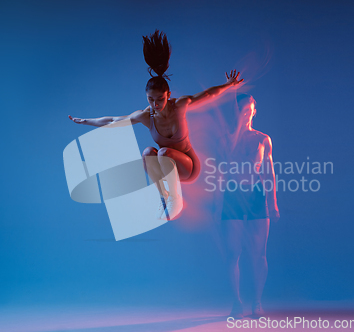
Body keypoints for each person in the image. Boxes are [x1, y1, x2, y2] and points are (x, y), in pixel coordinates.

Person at [68, 30, 243, 220]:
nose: (155, 104)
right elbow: (113, 121)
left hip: (188, 167)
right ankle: (164, 196)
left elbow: (208, 95)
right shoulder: (146, 116)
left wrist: (228, 85)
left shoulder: (180, 106)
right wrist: (85, 121)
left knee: (163, 152)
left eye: (159, 99)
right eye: (150, 99)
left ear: (168, 95)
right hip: (165, 166)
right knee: (147, 153)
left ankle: (177, 200)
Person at [219, 94, 280, 319]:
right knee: (233, 251)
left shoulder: (263, 139)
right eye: (240, 109)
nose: (245, 112)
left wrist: (272, 202)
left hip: (256, 195)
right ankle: (237, 302)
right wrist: (218, 204)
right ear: (235, 112)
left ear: (254, 111)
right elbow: (219, 174)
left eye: (248, 108)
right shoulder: (225, 139)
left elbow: (269, 172)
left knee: (259, 252)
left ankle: (257, 302)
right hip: (233, 195)